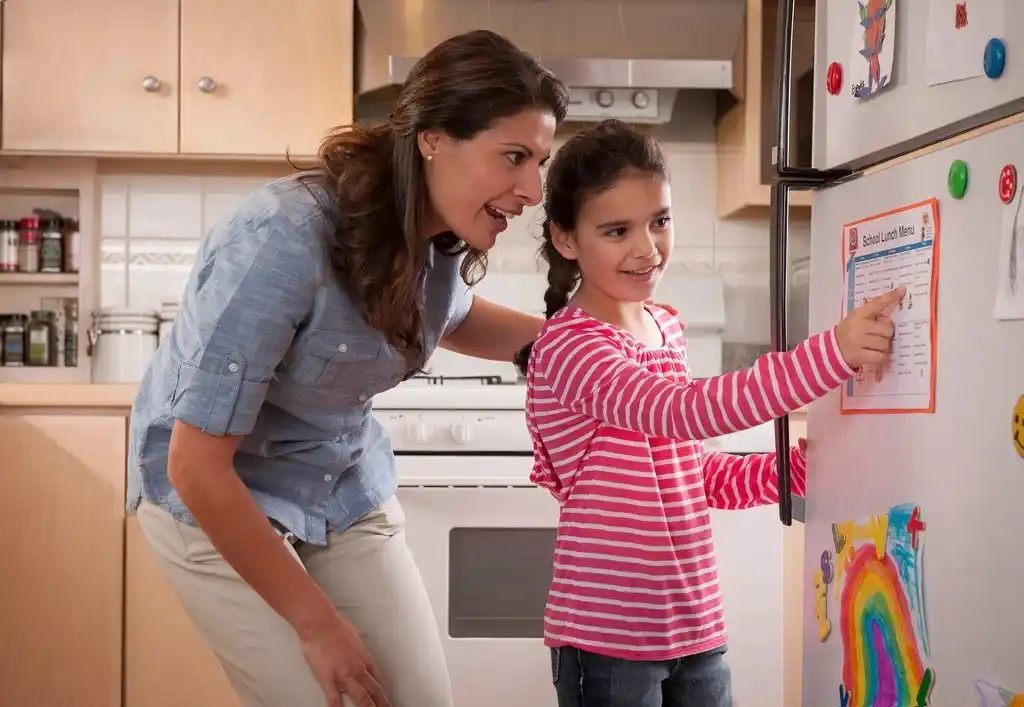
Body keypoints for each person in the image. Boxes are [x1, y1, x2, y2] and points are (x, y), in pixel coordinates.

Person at [128, 30, 569, 707]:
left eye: (540, 162)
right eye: (514, 157)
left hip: (339, 488)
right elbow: (197, 465)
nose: (533, 190)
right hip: (220, 497)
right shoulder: (284, 234)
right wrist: (317, 624)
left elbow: (452, 317)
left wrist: (590, 347)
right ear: (433, 139)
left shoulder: (435, 238)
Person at [513, 120, 904, 707]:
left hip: (695, 624)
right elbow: (682, 412)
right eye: (617, 230)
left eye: (660, 221)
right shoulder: (571, 346)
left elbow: (696, 474)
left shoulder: (665, 328)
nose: (647, 248)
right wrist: (831, 354)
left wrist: (794, 471)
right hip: (609, 639)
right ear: (566, 240)